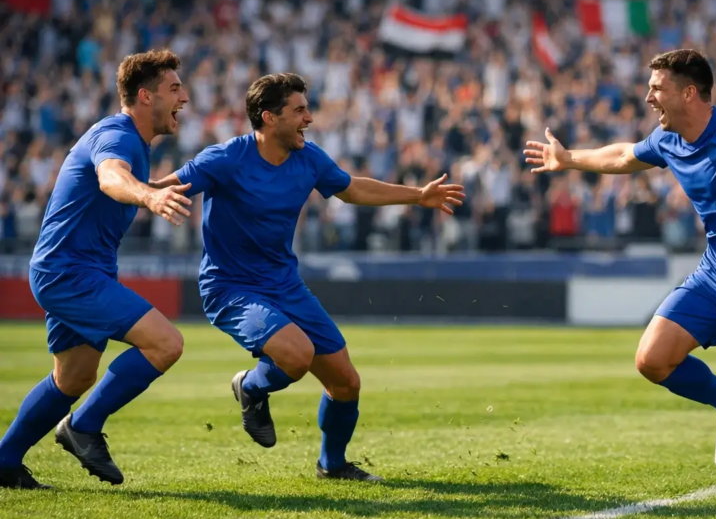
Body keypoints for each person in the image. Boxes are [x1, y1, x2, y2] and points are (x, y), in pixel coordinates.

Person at [525, 49, 716, 495]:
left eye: (656, 88)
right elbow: (625, 156)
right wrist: (569, 158)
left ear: (689, 93)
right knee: (652, 359)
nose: (649, 97)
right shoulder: (668, 139)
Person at [157, 73, 464, 482]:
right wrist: (124, 188)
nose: (310, 118)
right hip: (231, 289)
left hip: (285, 285)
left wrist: (418, 196)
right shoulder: (225, 158)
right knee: (296, 355)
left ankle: (332, 465)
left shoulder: (309, 158)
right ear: (269, 117)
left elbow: (353, 189)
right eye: (300, 110)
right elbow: (159, 188)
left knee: (346, 383)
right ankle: (250, 387)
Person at [0, 50, 193, 489]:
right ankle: (82, 427)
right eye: (174, 89)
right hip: (69, 272)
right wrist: (149, 197)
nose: (184, 97)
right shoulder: (119, 135)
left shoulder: (135, 144)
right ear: (146, 96)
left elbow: (118, 182)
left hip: (77, 271)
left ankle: (5, 462)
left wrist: (163, 186)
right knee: (166, 343)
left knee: (75, 375)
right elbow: (110, 177)